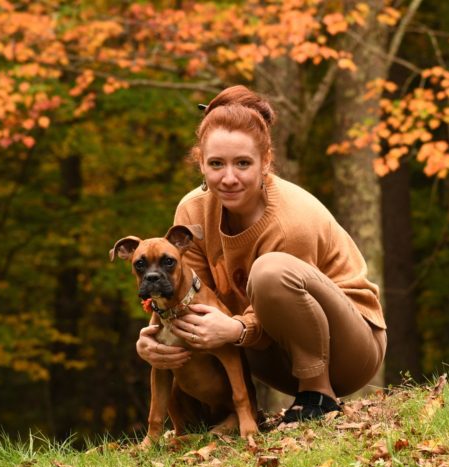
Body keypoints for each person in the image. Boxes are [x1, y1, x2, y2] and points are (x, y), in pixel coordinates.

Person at [135, 85, 387, 423]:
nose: (229, 178)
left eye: (242, 163)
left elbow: (270, 306)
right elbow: (190, 298)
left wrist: (237, 329)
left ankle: (318, 394)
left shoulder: (291, 219)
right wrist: (154, 338)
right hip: (270, 351)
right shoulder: (192, 212)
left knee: (270, 272)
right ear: (201, 164)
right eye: (216, 164)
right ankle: (219, 415)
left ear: (265, 161)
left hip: (348, 349)